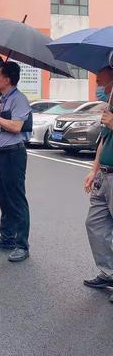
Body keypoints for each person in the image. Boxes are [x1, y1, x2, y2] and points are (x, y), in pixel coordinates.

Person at [0, 62, 32, 262]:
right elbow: (3, 122)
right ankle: (7, 237)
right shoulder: (5, 99)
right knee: (4, 197)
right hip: (2, 152)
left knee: (16, 199)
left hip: (14, 154)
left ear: (7, 79)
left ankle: (22, 244)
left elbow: (16, 126)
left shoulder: (19, 99)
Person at [83, 66, 113, 300]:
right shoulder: (109, 105)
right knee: (94, 223)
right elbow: (103, 140)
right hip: (104, 175)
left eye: (102, 81)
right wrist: (93, 170)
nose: (99, 87)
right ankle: (109, 271)